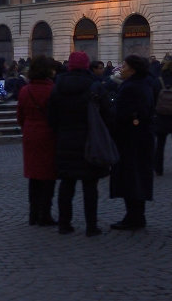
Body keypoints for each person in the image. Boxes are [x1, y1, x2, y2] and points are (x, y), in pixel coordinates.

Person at [48, 50, 109, 236]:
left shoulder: (58, 87)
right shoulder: (94, 86)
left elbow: (51, 117)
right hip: (89, 141)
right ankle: (91, 226)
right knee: (90, 186)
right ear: (86, 66)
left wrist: (60, 132)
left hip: (65, 140)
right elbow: (106, 114)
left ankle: (64, 224)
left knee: (66, 185)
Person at [109, 54, 155, 231]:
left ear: (133, 69)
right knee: (137, 176)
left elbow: (124, 114)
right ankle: (135, 215)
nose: (122, 68)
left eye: (125, 66)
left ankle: (134, 217)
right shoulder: (145, 83)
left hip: (130, 138)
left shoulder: (131, 87)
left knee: (131, 176)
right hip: (142, 136)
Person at [16, 55, 56, 227]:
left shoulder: (25, 90)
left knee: (34, 176)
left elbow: (20, 116)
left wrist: (28, 126)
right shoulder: (52, 90)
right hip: (48, 134)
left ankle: (33, 213)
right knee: (48, 176)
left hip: (30, 134)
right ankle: (45, 214)